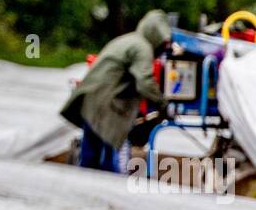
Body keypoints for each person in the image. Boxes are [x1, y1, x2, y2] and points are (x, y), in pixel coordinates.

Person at [61, 9, 173, 172]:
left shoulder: (127, 40)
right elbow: (144, 82)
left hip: (92, 100)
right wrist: (164, 104)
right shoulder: (143, 48)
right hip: (108, 107)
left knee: (89, 159)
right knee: (110, 164)